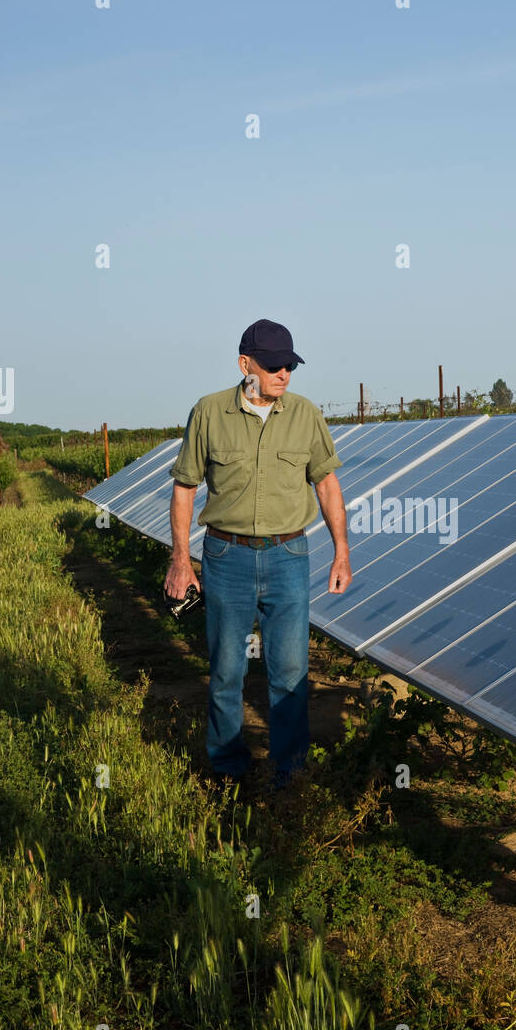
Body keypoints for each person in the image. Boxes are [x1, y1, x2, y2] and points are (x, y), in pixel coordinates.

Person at [164, 319, 352, 787]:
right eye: (272, 366)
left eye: (289, 365)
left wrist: (342, 550)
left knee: (289, 672)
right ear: (245, 364)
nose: (283, 374)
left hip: (289, 555)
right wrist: (181, 561)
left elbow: (327, 483)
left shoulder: (305, 414)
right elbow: (185, 487)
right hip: (227, 557)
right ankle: (228, 767)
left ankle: (289, 774)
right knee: (227, 670)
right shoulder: (208, 413)